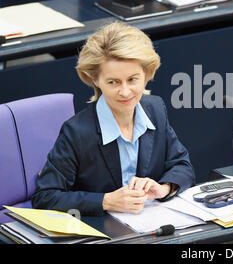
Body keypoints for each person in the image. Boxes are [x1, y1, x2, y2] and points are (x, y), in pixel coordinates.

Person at [32, 22, 195, 215]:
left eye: (133, 79)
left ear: (147, 73)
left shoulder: (155, 108)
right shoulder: (76, 132)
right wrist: (105, 201)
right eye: (113, 82)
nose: (125, 92)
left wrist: (164, 188)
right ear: (95, 80)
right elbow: (45, 197)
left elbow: (182, 165)